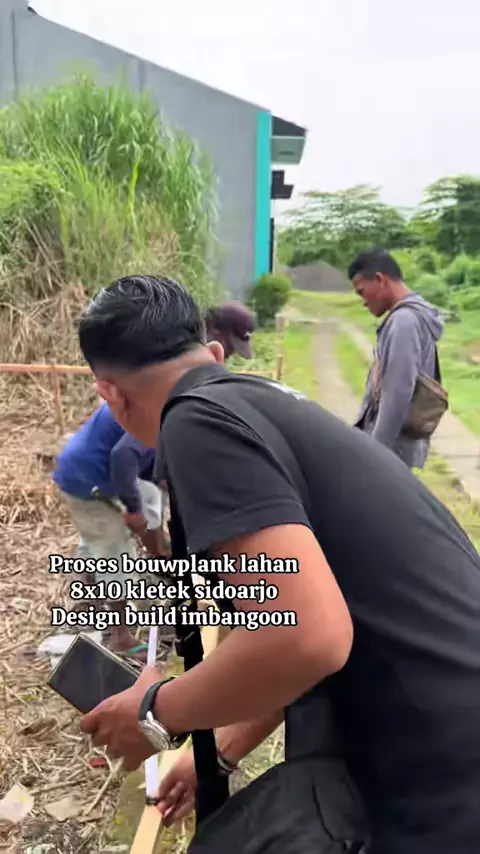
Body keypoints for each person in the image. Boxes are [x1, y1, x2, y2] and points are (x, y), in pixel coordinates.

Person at [77, 275, 480, 853]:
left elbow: (309, 638)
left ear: (110, 395)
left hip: (439, 766)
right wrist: (221, 747)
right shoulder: (261, 402)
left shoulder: (195, 423)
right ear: (214, 353)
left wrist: (154, 713)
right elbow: (289, 625)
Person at [53, 403, 169, 661]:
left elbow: (151, 488)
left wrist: (157, 541)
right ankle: (121, 637)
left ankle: (88, 585)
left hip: (85, 469)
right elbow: (124, 455)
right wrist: (134, 511)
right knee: (115, 554)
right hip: (89, 480)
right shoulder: (159, 412)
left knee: (99, 538)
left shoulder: (160, 403)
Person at [348, 247, 445, 469]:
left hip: (393, 452)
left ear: (380, 280)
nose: (363, 301)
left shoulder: (404, 322)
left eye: (362, 292)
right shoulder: (412, 316)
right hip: (398, 448)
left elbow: (397, 394)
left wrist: (376, 455)